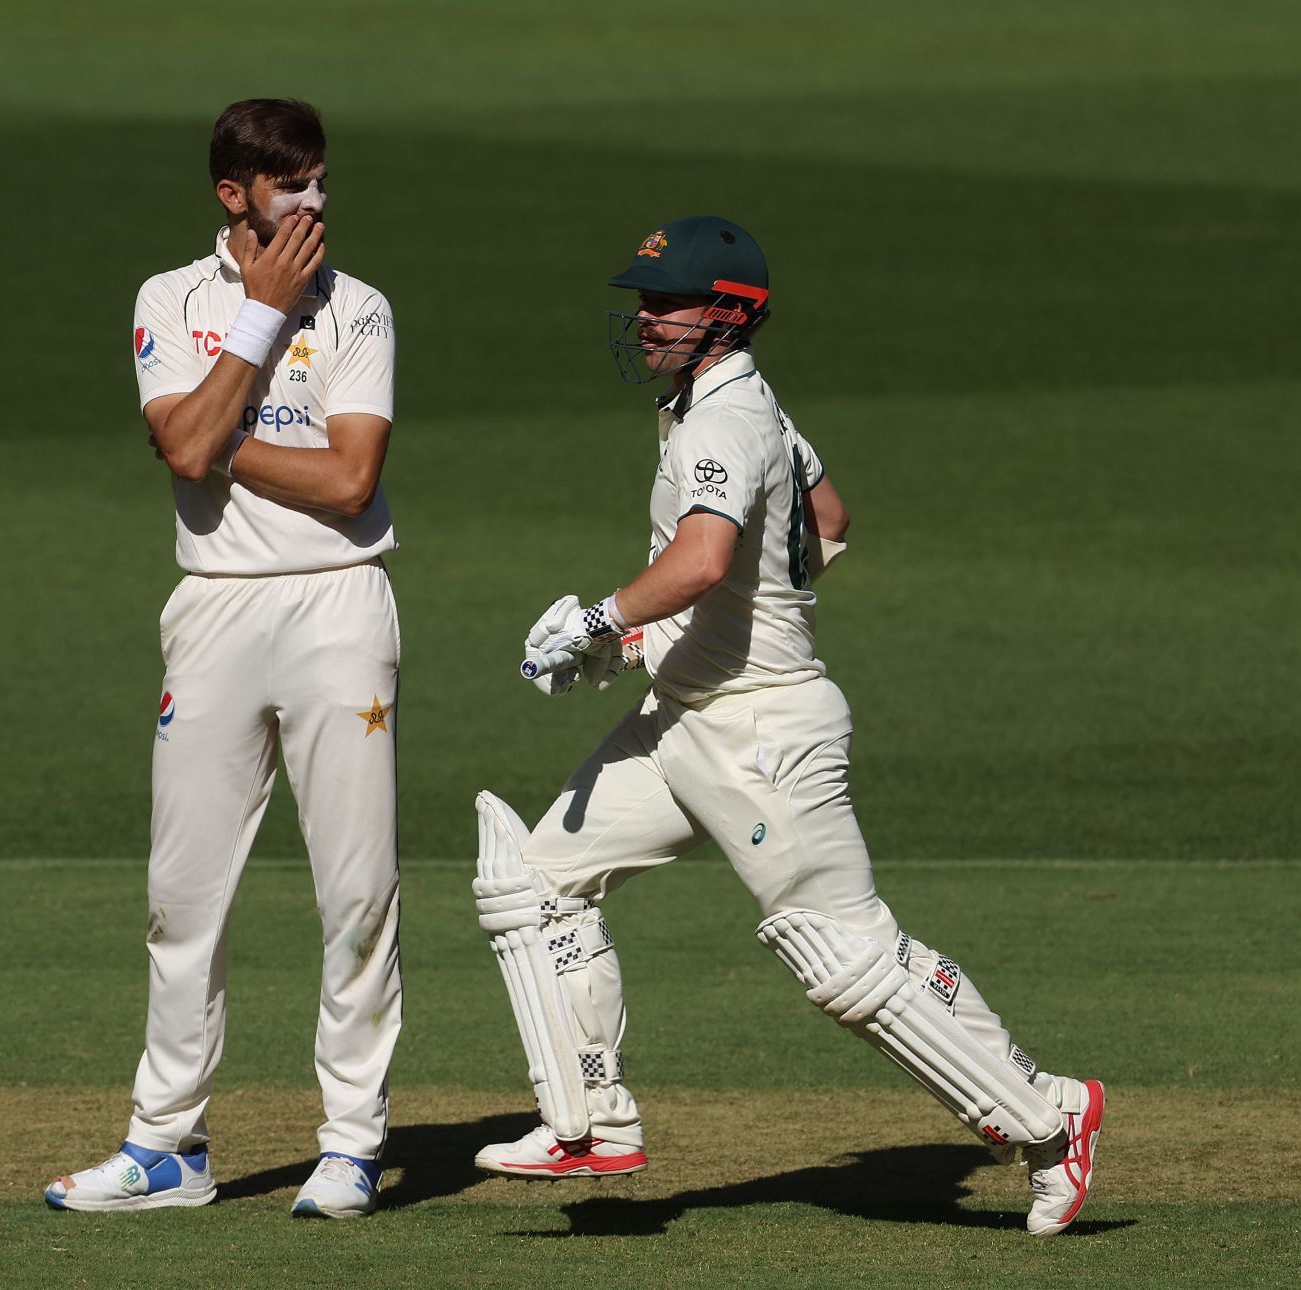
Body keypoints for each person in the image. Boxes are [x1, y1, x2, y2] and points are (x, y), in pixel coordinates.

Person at [471, 215, 1103, 1236]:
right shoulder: (726, 402)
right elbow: (830, 518)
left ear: (728, 314)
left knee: (843, 958)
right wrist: (662, 641)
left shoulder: (725, 419)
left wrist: (606, 617)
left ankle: (1052, 1116)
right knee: (533, 883)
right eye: (642, 301)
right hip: (684, 719)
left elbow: (707, 557)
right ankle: (591, 1125)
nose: (645, 321)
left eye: (666, 304)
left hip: (764, 736)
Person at [45, 99, 402, 1220]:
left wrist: (218, 439)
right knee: (181, 894)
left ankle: (350, 1143)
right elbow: (183, 446)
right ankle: (168, 1148)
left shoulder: (363, 308)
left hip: (340, 606)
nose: (314, 205)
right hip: (213, 611)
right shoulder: (172, 299)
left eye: (322, 181)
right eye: (291, 185)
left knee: (356, 892)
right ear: (233, 195)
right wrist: (258, 318)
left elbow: (345, 484)